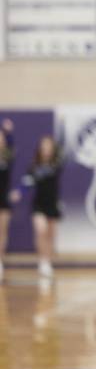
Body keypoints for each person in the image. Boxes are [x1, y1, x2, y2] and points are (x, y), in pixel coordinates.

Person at [23, 135, 63, 278]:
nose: (46, 149)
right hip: (38, 205)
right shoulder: (33, 167)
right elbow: (26, 184)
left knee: (51, 235)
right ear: (40, 149)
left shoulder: (56, 164)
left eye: (49, 146)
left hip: (52, 204)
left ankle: (48, 261)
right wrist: (20, 192)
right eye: (44, 146)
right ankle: (42, 261)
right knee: (41, 231)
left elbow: (62, 148)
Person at [0, 119, 15, 282]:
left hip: (3, 199)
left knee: (2, 232)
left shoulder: (7, 158)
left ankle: (0, 261)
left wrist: (8, 132)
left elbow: (11, 146)